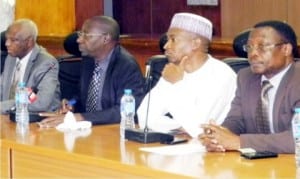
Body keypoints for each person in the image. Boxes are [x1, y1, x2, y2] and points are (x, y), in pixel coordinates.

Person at [200, 20, 300, 154]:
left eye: (262, 47)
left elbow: (297, 138)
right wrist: (218, 137)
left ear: (286, 49)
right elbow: (236, 120)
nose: (253, 54)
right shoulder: (246, 77)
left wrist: (239, 142)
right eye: (249, 47)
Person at [137, 12, 237, 138]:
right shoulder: (174, 71)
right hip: (181, 145)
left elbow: (200, 130)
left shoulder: (221, 75)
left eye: (173, 40)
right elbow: (144, 117)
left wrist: (177, 84)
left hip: (215, 153)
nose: (166, 46)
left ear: (195, 44)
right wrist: (180, 126)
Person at [39, 15, 145, 127]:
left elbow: (124, 110)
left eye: (86, 36)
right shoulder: (89, 59)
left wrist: (81, 117)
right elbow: (82, 96)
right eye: (80, 34)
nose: (79, 40)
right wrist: (71, 104)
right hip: (87, 129)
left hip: (112, 131)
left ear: (106, 38)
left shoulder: (126, 66)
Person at [0, 19, 60, 113]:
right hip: (9, 117)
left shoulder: (46, 63)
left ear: (29, 42)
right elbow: (2, 88)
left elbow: (41, 103)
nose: (7, 44)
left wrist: (3, 107)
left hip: (39, 121)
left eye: (13, 40)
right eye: (7, 39)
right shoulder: (10, 58)